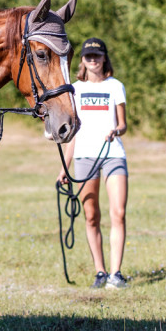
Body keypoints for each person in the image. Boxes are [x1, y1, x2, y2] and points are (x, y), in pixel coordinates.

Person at [58, 37, 129, 289]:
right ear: (83, 61)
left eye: (97, 56)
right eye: (88, 57)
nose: (93, 60)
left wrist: (116, 131)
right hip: (84, 157)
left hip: (113, 154)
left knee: (118, 213)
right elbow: (72, 134)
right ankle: (100, 271)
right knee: (91, 216)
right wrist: (65, 167)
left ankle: (116, 273)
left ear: (104, 59)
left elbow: (123, 123)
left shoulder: (115, 86)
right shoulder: (74, 90)